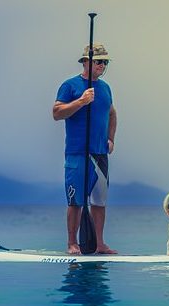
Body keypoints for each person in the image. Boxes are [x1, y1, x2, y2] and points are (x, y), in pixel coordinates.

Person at [52, 43, 118, 255]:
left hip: (100, 154)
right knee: (76, 201)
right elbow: (57, 112)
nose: (103, 65)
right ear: (86, 62)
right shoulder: (70, 85)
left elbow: (112, 113)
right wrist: (81, 101)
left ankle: (99, 243)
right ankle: (72, 243)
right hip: (77, 152)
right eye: (99, 61)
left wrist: (110, 138)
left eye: (105, 62)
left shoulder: (105, 88)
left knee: (99, 201)